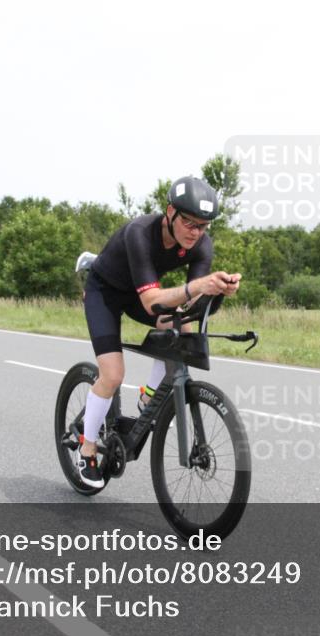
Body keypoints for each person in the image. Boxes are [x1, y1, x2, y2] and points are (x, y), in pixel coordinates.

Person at [79, 176, 241, 488]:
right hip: (106, 293)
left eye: (204, 226)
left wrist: (219, 290)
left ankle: (150, 395)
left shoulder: (201, 245)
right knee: (112, 376)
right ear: (170, 212)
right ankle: (86, 451)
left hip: (141, 296)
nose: (196, 233)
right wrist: (197, 286)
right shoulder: (140, 232)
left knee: (183, 328)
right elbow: (152, 301)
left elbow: (191, 301)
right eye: (190, 223)